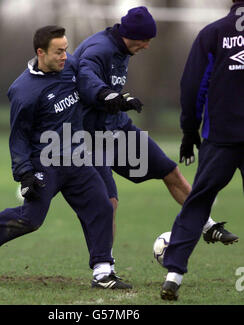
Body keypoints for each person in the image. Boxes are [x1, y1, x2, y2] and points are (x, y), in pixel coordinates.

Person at [0, 25, 132, 290]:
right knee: (30, 220)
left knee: (102, 207)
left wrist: (109, 97)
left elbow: (89, 81)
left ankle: (102, 271)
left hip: (75, 158)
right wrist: (24, 173)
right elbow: (18, 136)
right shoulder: (23, 90)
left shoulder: (70, 66)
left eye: (66, 49)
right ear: (41, 52)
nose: (65, 55)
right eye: (59, 51)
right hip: (46, 163)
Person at [73, 5, 238, 268]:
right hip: (92, 137)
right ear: (131, 35)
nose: (147, 46)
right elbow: (86, 75)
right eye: (145, 40)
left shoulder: (122, 48)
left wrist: (118, 102)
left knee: (170, 171)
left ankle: (206, 225)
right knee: (108, 202)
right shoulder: (99, 49)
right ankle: (104, 267)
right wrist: (106, 94)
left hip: (118, 128)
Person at [160, 0, 244, 300]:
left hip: (220, 136)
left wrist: (188, 129)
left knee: (198, 202)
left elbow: (193, 85)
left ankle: (173, 275)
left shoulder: (213, 33)